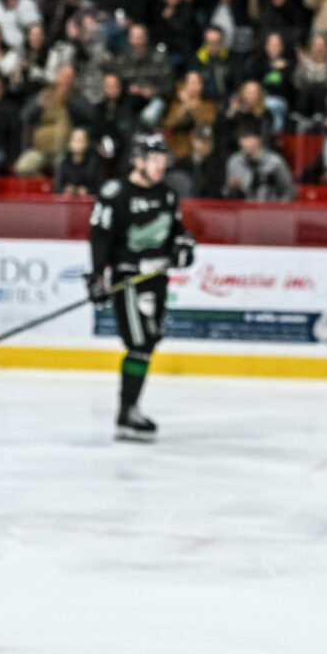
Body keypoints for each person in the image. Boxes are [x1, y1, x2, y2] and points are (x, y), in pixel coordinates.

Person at [87, 131, 197, 441]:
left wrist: (184, 247)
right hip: (129, 280)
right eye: (154, 159)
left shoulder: (167, 194)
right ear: (138, 161)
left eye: (163, 159)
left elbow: (178, 233)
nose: (160, 165)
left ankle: (129, 410)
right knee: (138, 343)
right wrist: (97, 276)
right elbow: (100, 237)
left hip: (156, 280)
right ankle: (126, 412)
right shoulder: (116, 193)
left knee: (148, 343)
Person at [224, 124, 296, 202]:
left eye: (247, 138)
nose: (243, 143)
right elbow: (226, 193)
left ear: (258, 140)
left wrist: (279, 209)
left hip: (269, 210)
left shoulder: (274, 162)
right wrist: (233, 189)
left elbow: (289, 191)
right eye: (241, 138)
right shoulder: (234, 162)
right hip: (243, 210)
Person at [167, 123, 222, 199]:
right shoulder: (180, 164)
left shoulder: (216, 166)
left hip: (207, 208)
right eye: (203, 140)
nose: (207, 144)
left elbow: (216, 193)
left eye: (210, 140)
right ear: (193, 140)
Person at [54, 125, 102, 195]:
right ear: (70, 143)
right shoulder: (63, 163)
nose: (78, 144)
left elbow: (99, 188)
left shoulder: (94, 163)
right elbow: (57, 188)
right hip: (67, 203)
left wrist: (88, 191)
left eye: (81, 140)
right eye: (75, 140)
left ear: (86, 143)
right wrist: (66, 190)